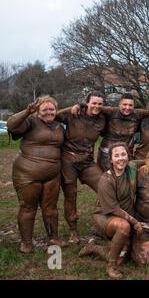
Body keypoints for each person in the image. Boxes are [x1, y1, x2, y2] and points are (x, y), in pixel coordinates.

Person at [7, 96, 66, 252]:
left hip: (52, 175)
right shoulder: (30, 122)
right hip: (27, 174)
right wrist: (27, 111)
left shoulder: (59, 126)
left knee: (51, 208)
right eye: (44, 109)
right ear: (37, 111)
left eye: (51, 109)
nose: (48, 112)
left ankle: (53, 238)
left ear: (56, 110)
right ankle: (26, 242)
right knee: (28, 207)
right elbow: (11, 125)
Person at [79, 143, 143, 279]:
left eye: (123, 154)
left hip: (125, 216)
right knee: (123, 226)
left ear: (128, 156)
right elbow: (113, 209)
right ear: (111, 159)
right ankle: (111, 266)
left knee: (122, 257)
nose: (121, 158)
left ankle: (94, 247)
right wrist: (134, 221)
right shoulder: (106, 179)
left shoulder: (131, 167)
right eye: (117, 155)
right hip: (106, 216)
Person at [56, 91, 106, 244]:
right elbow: (54, 115)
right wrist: (71, 107)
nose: (96, 106)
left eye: (100, 103)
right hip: (68, 160)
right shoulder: (74, 113)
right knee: (71, 194)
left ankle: (103, 224)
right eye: (94, 103)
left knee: (106, 187)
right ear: (87, 102)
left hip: (87, 161)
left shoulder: (102, 120)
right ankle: (73, 230)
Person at [96, 93, 149, 171]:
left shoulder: (138, 114)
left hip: (127, 153)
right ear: (119, 104)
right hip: (107, 153)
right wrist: (79, 106)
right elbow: (94, 107)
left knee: (126, 180)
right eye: (124, 104)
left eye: (130, 105)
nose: (127, 107)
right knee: (108, 178)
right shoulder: (112, 111)